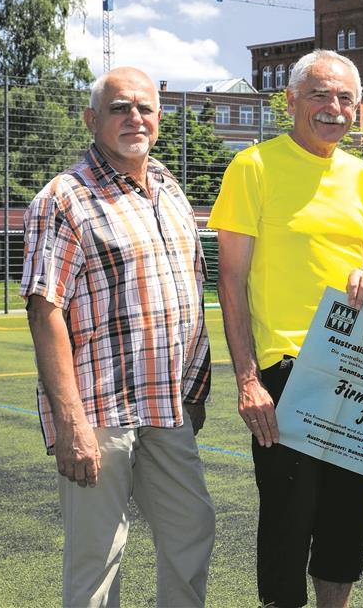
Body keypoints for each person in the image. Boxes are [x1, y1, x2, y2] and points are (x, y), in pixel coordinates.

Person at [21, 66, 215, 607]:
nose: (135, 118)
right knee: (97, 560)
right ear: (91, 119)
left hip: (166, 406)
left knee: (192, 531)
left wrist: (194, 388)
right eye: (119, 108)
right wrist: (69, 421)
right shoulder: (64, 198)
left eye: (145, 108)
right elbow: (45, 310)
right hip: (98, 412)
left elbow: (191, 294)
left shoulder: (171, 191)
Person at [208, 49, 363, 608]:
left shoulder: (359, 173)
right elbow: (230, 282)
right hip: (284, 372)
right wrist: (246, 378)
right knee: (287, 522)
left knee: (346, 520)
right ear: (289, 101)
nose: (333, 109)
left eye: (345, 99)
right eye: (320, 95)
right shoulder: (253, 167)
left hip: (353, 369)